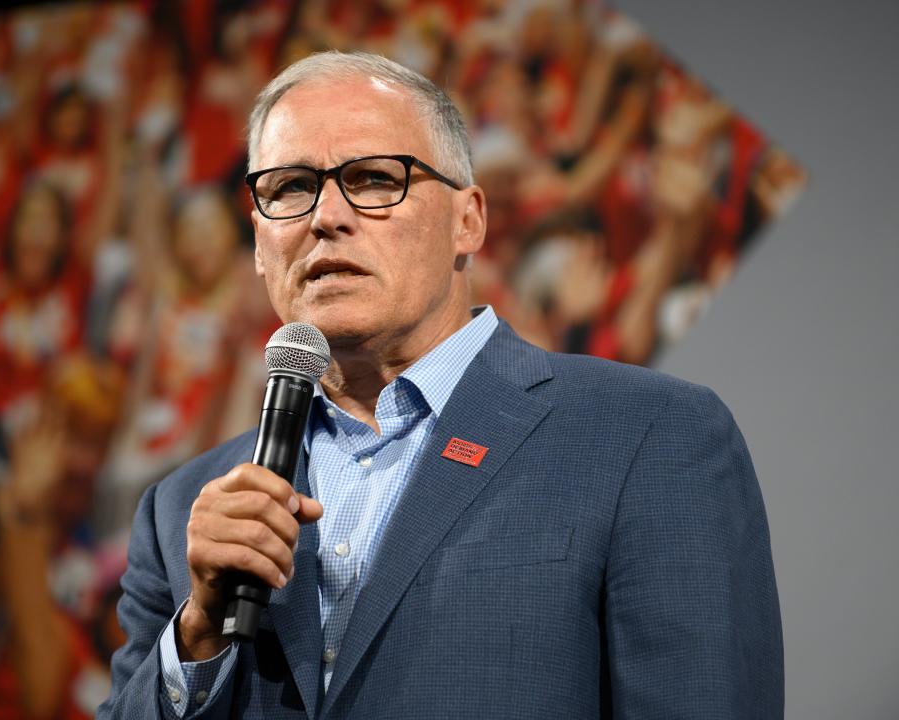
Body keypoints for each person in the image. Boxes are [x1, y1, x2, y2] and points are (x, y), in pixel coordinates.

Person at [100, 51, 782, 719]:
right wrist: (196, 637)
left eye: (372, 179)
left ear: (469, 221)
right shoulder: (182, 511)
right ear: (257, 242)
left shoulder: (648, 437)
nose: (324, 217)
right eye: (289, 188)